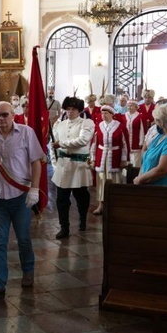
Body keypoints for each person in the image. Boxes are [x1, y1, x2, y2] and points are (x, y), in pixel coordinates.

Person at [0, 101, 44, 300]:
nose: (1, 119)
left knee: (23, 238)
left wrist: (34, 189)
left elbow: (36, 162)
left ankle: (28, 270)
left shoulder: (26, 133)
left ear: (13, 114)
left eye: (5, 115)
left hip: (20, 196)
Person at [51, 97, 94, 239]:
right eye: (67, 109)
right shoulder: (60, 124)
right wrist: (54, 163)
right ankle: (64, 227)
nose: (70, 112)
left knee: (81, 196)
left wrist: (61, 144)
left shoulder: (86, 123)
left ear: (80, 110)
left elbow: (83, 141)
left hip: (79, 166)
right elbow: (53, 146)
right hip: (63, 166)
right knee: (61, 199)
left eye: (73, 109)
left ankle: (82, 220)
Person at [133, 104, 167, 186]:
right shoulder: (161, 135)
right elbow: (146, 158)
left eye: (155, 120)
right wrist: (140, 177)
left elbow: (163, 170)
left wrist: (140, 179)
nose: (154, 123)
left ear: (162, 122)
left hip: (166, 189)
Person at [89, 105, 129, 215]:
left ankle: (114, 204)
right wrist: (92, 159)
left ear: (112, 114)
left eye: (106, 113)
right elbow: (94, 144)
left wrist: (124, 159)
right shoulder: (98, 126)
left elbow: (125, 144)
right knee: (101, 180)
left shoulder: (120, 127)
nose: (103, 115)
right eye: (102, 113)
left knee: (114, 179)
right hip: (101, 156)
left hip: (115, 156)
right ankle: (101, 204)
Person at [124, 99, 145, 170]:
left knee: (135, 163)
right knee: (126, 164)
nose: (129, 107)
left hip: (135, 142)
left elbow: (142, 130)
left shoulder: (140, 116)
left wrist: (141, 142)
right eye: (128, 106)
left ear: (136, 107)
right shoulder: (124, 116)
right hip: (126, 142)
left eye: (131, 106)